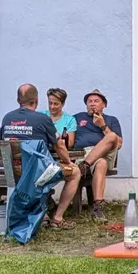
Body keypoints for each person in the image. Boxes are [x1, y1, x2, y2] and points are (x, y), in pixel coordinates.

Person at [0, 84, 74, 226]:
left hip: (14, 172)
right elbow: (60, 145)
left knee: (35, 172)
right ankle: (57, 218)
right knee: (74, 172)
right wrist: (68, 162)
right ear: (36, 100)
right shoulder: (42, 119)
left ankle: (42, 213)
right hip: (39, 174)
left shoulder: (7, 118)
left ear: (18, 100)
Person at [72, 89, 124, 218]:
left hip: (106, 153)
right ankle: (98, 207)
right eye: (89, 101)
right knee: (101, 163)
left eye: (96, 101)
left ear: (104, 105)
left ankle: (85, 164)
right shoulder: (77, 118)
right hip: (82, 154)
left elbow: (119, 144)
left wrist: (102, 125)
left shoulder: (111, 120)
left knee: (112, 136)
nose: (92, 104)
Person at [45, 88, 84, 224]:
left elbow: (70, 142)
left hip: (60, 158)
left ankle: (56, 213)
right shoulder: (42, 115)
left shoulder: (69, 120)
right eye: (50, 103)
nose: (52, 107)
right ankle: (45, 212)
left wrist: (52, 135)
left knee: (71, 172)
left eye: (56, 104)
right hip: (44, 157)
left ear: (63, 104)